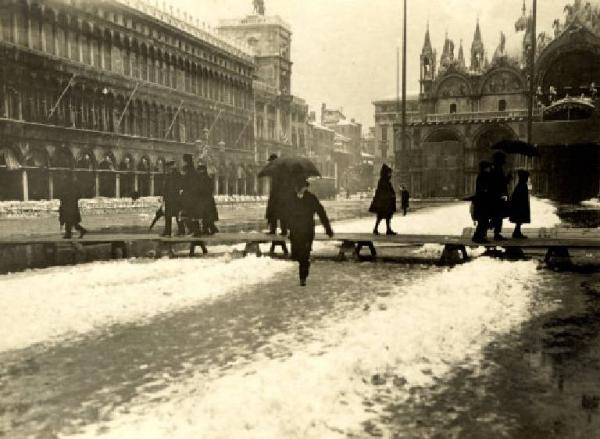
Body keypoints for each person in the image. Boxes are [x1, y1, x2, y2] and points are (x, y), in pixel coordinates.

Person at [287, 178, 334, 286]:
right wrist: (287, 227)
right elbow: (286, 214)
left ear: (305, 187)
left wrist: (328, 229)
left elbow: (321, 213)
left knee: (304, 255)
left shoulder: (311, 198)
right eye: (297, 187)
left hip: (307, 231)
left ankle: (302, 277)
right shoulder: (291, 199)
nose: (298, 189)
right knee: (296, 255)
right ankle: (305, 265)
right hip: (295, 231)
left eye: (301, 187)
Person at [369, 164, 397, 235]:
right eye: (389, 173)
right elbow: (384, 191)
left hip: (385, 202)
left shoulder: (385, 180)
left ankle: (386, 229)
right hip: (384, 202)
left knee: (386, 216)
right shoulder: (383, 181)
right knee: (382, 215)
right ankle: (378, 229)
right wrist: (390, 195)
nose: (390, 174)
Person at [265, 154, 289, 236]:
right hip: (277, 195)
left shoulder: (281, 170)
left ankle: (282, 231)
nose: (270, 163)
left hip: (280, 196)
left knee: (280, 214)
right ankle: (275, 230)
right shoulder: (276, 170)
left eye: (271, 161)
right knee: (274, 213)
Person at [59, 172, 87, 239]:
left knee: (69, 221)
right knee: (71, 222)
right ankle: (71, 233)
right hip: (71, 205)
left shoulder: (68, 184)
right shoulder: (73, 184)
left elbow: (64, 195)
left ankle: (69, 234)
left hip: (69, 205)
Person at [489, 151, 510, 241]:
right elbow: (500, 182)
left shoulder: (494, 168)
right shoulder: (497, 169)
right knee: (498, 215)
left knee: (497, 215)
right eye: (503, 159)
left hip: (496, 195)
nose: (505, 161)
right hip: (498, 195)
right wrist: (508, 178)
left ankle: (494, 229)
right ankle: (496, 233)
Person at [161, 160, 185, 237]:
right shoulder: (168, 175)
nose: (168, 168)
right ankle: (168, 231)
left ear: (172, 166)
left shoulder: (177, 175)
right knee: (168, 216)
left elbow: (181, 186)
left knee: (177, 216)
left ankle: (181, 231)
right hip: (169, 199)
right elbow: (165, 188)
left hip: (175, 199)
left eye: (169, 167)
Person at [180, 154, 202, 236]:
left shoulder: (189, 171)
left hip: (190, 196)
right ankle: (194, 230)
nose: (183, 163)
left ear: (186, 161)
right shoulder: (192, 170)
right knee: (191, 214)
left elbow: (186, 183)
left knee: (189, 214)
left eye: (184, 161)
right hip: (191, 196)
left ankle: (195, 231)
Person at [472, 160, 493, 243]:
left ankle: (478, 236)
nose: (490, 168)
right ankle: (480, 237)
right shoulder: (484, 175)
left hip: (481, 201)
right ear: (485, 168)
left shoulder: (481, 175)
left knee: (483, 220)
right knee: (483, 220)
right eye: (488, 167)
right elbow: (485, 188)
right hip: (483, 201)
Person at [197, 164, 219, 235]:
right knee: (206, 216)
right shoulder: (206, 178)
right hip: (207, 200)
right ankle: (208, 229)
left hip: (206, 200)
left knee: (206, 216)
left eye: (200, 170)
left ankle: (208, 229)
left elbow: (206, 189)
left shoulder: (204, 179)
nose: (199, 172)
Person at [509, 170, 531, 239]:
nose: (527, 179)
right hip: (520, 206)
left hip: (519, 206)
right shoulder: (522, 186)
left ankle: (517, 232)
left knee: (519, 221)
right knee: (519, 220)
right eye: (527, 177)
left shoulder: (520, 185)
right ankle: (517, 233)